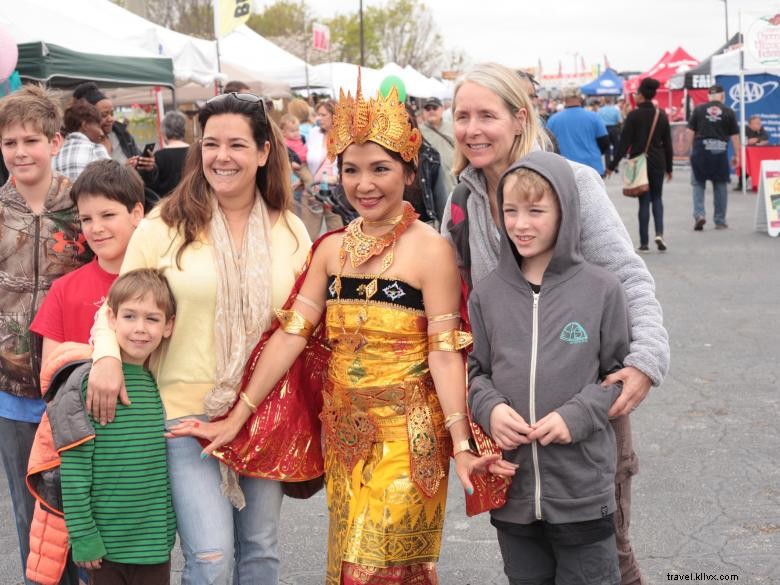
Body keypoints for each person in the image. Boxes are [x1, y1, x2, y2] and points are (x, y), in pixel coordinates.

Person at [167, 78, 515, 584]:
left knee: (379, 571)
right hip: (346, 443)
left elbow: (445, 352)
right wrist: (237, 416)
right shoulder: (329, 249)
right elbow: (290, 337)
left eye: (381, 169)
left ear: (409, 172)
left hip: (409, 440)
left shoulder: (430, 250)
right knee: (348, 565)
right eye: (351, 170)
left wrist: (462, 442)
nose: (364, 184)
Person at [441, 63, 670, 585]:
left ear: (519, 119)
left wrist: (645, 361)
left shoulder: (573, 185)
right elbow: (461, 307)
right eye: (462, 116)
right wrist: (480, 405)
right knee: (526, 553)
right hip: (508, 412)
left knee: (607, 553)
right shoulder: (461, 203)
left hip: (584, 403)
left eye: (486, 115)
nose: (472, 129)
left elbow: (627, 279)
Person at [87, 92, 312, 584]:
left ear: (263, 152)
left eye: (236, 144)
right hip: (184, 416)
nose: (222, 156)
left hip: (263, 415)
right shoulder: (164, 224)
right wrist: (105, 358)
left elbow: (306, 330)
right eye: (210, 144)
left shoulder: (292, 232)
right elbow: (114, 309)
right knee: (209, 558)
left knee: (260, 551)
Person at [469, 151, 629, 585]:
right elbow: (475, 371)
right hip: (514, 491)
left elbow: (617, 377)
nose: (521, 224)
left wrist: (575, 416)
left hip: (581, 487)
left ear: (567, 213)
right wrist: (490, 409)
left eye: (536, 211)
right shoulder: (487, 294)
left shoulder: (602, 290)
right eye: (510, 211)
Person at [0, 85, 91, 585]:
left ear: (55, 143)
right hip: (12, 395)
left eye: (30, 140)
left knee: (80, 515)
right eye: (9, 142)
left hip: (74, 387)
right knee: (28, 515)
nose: (19, 152)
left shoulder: (82, 207)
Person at [57, 269, 176, 584]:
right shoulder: (91, 386)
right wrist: (83, 536)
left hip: (153, 548)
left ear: (168, 327)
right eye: (129, 316)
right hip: (105, 548)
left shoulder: (161, 385)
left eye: (152, 319)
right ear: (111, 319)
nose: (140, 329)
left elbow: (160, 468)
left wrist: (167, 531)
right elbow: (75, 469)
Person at [30, 159, 144, 364]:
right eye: (86, 219)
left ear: (136, 214)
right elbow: (50, 376)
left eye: (107, 215)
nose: (96, 228)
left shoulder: (161, 282)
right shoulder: (63, 290)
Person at [607, 78, 673, 253]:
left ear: (641, 95)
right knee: (657, 198)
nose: (634, 96)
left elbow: (623, 143)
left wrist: (611, 165)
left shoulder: (633, 116)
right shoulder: (661, 115)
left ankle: (644, 243)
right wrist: (670, 167)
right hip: (658, 161)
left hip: (639, 162)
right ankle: (659, 233)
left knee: (644, 201)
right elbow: (668, 143)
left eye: (636, 93)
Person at [686, 83, 740, 230]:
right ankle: (720, 220)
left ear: (709, 96)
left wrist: (688, 151)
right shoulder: (728, 111)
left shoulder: (698, 110)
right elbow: (735, 137)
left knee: (698, 183)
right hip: (720, 150)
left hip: (701, 149)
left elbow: (690, 132)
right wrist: (737, 155)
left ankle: (699, 215)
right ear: (722, 96)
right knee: (720, 185)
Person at [547, 85, 610, 176]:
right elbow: (605, 142)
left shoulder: (553, 120)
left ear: (564, 98)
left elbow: (549, 147)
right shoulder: (594, 117)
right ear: (580, 97)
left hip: (565, 171)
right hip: (592, 168)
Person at [305, 99, 345, 238]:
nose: (318, 118)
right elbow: (306, 159)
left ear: (334, 116)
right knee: (309, 236)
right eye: (318, 114)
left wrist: (337, 179)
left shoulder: (345, 136)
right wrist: (305, 181)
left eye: (323, 115)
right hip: (313, 192)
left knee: (338, 236)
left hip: (336, 193)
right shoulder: (314, 133)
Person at [52, 99, 110, 180]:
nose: (101, 133)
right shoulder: (95, 149)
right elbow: (114, 182)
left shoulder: (55, 154)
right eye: (98, 126)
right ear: (85, 125)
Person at [149, 110, 190, 198]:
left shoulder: (159, 156)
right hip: (193, 203)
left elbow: (153, 186)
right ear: (183, 129)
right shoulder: (195, 151)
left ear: (164, 131)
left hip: (166, 205)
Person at [420, 96, 456, 194]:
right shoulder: (418, 132)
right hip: (433, 183)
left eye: (434, 108)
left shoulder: (453, 127)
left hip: (456, 178)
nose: (431, 111)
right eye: (428, 109)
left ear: (442, 109)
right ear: (423, 112)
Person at [598, 96, 624, 169]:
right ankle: (615, 165)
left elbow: (598, 121)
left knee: (607, 148)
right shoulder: (615, 110)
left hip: (604, 129)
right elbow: (620, 121)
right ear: (612, 101)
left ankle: (608, 166)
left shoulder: (600, 110)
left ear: (605, 101)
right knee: (616, 147)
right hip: (614, 128)